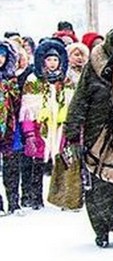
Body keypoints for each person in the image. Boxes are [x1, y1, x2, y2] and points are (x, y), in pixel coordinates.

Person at [64, 26, 113, 247]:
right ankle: (102, 230)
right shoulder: (93, 67)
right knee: (98, 185)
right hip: (97, 133)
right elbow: (80, 99)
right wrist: (73, 133)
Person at [19, 38, 75, 210]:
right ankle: (34, 197)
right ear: (43, 60)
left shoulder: (66, 80)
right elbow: (27, 108)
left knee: (64, 162)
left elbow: (71, 103)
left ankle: (63, 197)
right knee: (36, 163)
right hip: (39, 128)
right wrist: (29, 133)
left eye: (56, 60)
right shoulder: (34, 79)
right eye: (49, 59)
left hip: (59, 127)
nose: (52, 63)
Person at [0, 39, 22, 215]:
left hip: (10, 128)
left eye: (2, 55)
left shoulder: (11, 79)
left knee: (12, 166)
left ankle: (14, 202)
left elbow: (18, 103)